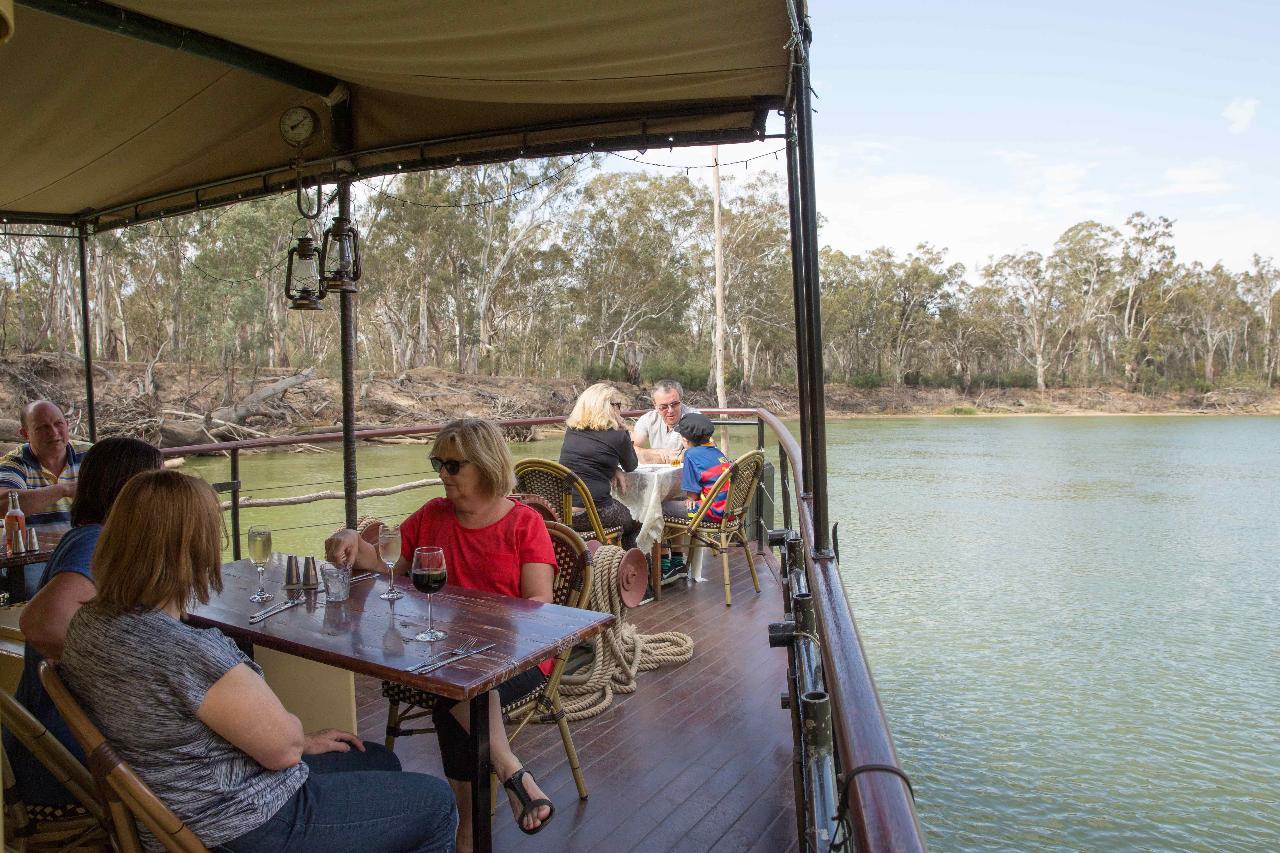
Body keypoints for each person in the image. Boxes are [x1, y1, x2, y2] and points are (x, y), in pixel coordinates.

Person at [60, 470, 457, 853]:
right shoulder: (185, 650)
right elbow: (282, 749)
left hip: (180, 805)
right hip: (245, 822)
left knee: (378, 760)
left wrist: (302, 741)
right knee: (436, 802)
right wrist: (296, 738)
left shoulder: (89, 625)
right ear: (194, 549)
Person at [326, 418, 557, 849]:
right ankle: (511, 773)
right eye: (438, 463)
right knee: (454, 686)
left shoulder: (525, 525)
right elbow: (384, 564)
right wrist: (350, 539)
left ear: (486, 465)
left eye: (453, 465)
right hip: (441, 655)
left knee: (455, 695)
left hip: (516, 657)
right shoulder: (433, 515)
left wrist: (478, 636)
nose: (442, 474)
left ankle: (467, 833)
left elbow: (538, 615)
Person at [5, 436, 162, 809]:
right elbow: (43, 624)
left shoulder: (94, 538)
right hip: (67, 765)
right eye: (155, 482)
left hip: (58, 753)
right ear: (130, 490)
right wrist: (126, 670)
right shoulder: (94, 542)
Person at [0, 401, 87, 597]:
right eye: (42, 428)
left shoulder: (90, 455)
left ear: (67, 424)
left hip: (85, 549)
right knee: (36, 592)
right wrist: (63, 489)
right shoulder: (14, 463)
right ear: (25, 434)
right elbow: (4, 503)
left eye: (58, 424)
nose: (54, 433)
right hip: (33, 559)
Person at [558, 382, 642, 549]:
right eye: (618, 405)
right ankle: (631, 570)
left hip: (562, 513)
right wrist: (624, 429)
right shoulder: (618, 435)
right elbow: (632, 465)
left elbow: (588, 461)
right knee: (636, 521)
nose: (620, 410)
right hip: (594, 513)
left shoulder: (572, 431)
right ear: (609, 407)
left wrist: (614, 468)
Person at [630, 380, 700, 464]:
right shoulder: (648, 419)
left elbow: (703, 450)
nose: (670, 410)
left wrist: (680, 457)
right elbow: (630, 448)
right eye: (664, 407)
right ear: (655, 405)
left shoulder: (694, 417)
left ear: (681, 401)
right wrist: (657, 452)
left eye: (674, 404)